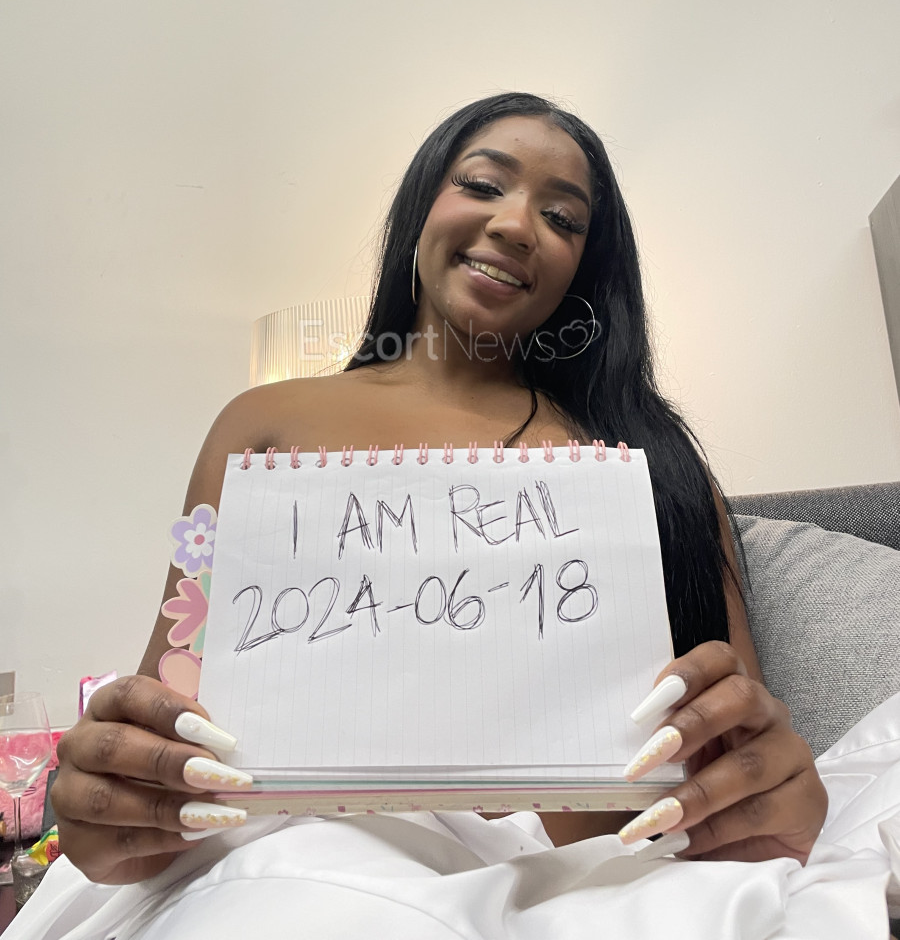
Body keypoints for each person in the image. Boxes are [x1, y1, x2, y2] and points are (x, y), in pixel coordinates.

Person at [50, 92, 827, 888]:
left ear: (584, 271)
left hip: (593, 893)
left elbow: (745, 761)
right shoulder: (262, 428)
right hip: (296, 886)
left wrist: (771, 795)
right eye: (483, 185)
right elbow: (163, 741)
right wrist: (109, 804)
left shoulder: (650, 463)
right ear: (421, 206)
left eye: (562, 219)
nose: (517, 225)